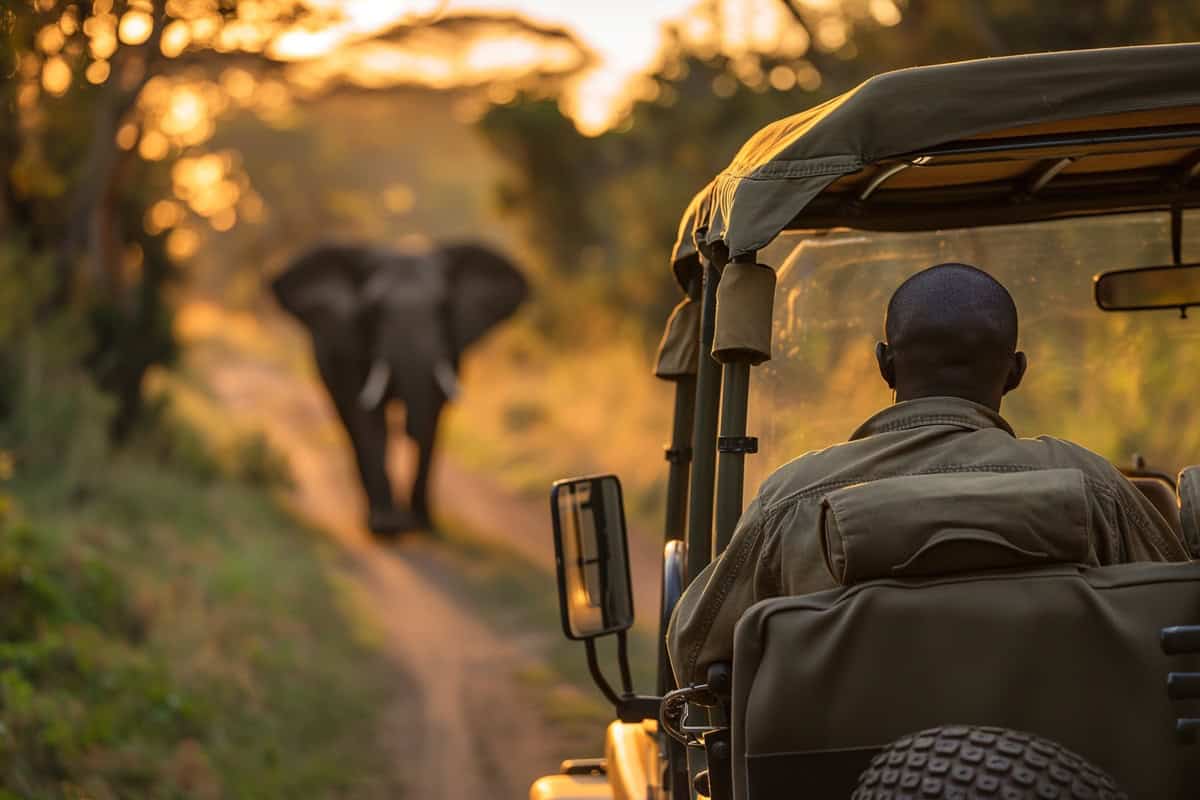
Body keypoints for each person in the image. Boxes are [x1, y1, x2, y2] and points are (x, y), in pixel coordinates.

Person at [667, 262, 1190, 687]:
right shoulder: (1089, 485)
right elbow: (1180, 622)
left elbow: (696, 653)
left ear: (885, 365)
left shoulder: (792, 499)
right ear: (1016, 372)